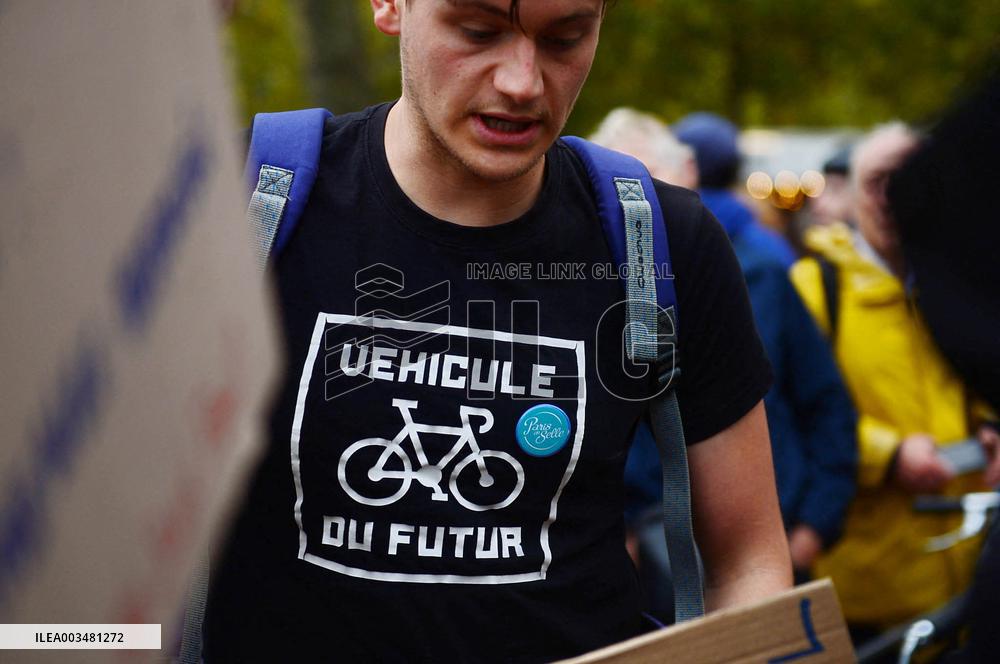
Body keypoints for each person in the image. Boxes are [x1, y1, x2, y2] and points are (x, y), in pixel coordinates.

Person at [203, 2, 791, 661]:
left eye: (565, 39)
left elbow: (749, 561)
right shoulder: (236, 202)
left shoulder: (664, 243)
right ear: (391, 6)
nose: (522, 82)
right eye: (477, 31)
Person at [789, 122, 1000, 640]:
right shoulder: (812, 288)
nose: (892, 197)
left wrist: (990, 427)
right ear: (852, 194)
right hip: (864, 580)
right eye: (878, 180)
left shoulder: (959, 286)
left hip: (965, 566)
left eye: (905, 180)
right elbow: (790, 415)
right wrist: (889, 455)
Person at [670, 112, 857, 582]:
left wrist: (813, 526)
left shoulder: (765, 267)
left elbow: (826, 402)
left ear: (688, 173)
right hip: (669, 551)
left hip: (775, 540)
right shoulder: (610, 274)